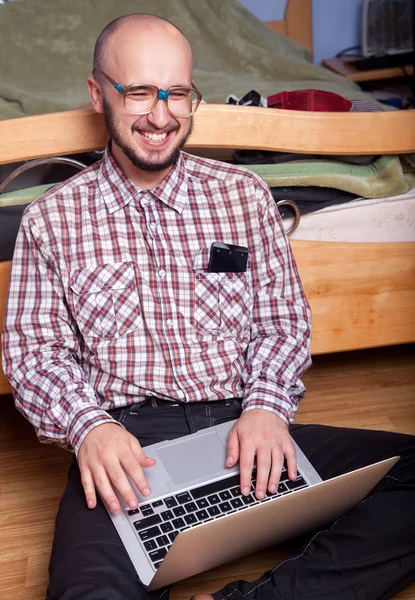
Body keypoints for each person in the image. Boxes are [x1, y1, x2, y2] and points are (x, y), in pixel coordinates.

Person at [2, 13, 414, 600]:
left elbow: (282, 321)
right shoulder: (51, 219)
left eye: (177, 93)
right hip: (129, 450)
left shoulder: (243, 196)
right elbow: (34, 354)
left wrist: (268, 408)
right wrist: (90, 428)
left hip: (246, 426)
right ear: (98, 93)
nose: (161, 114)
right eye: (139, 92)